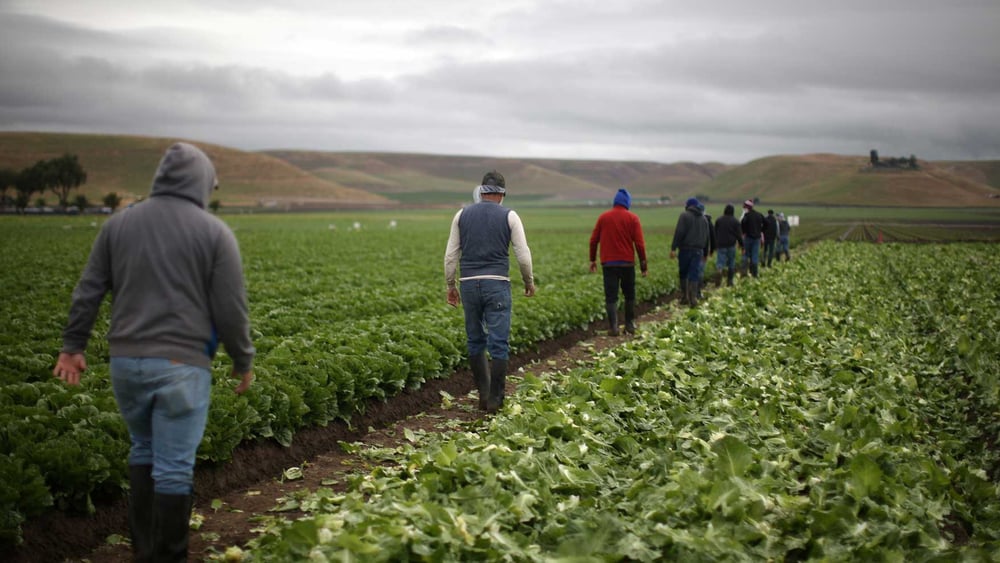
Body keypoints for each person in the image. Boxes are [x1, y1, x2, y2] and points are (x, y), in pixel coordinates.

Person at [53, 142, 255, 562]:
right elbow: (230, 308)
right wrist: (242, 359)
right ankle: (170, 556)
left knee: (143, 449)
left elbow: (88, 290)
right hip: (182, 363)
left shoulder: (119, 225)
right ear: (202, 182)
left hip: (126, 363)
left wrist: (73, 346)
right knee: (175, 465)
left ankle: (145, 553)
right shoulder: (214, 232)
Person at [444, 170, 535, 413]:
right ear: (502, 194)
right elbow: (523, 255)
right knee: (499, 342)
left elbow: (451, 256)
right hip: (497, 284)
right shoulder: (510, 216)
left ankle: (483, 396)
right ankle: (496, 399)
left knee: (475, 339)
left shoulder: (461, 214)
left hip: (469, 283)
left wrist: (451, 286)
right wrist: (528, 281)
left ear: (482, 190)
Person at [588, 188, 648, 336]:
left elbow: (593, 240)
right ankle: (629, 325)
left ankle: (613, 327)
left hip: (609, 264)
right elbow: (640, 244)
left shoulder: (603, 218)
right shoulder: (633, 218)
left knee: (611, 296)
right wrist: (643, 265)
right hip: (627, 264)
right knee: (629, 295)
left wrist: (592, 260)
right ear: (628, 202)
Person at [669, 197, 710, 307]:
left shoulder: (684, 216)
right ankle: (693, 298)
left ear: (688, 206)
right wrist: (706, 253)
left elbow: (679, 232)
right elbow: (707, 237)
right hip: (698, 251)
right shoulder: (704, 219)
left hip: (685, 249)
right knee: (694, 273)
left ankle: (685, 297)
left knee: (683, 273)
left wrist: (673, 248)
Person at [714, 203, 743, 286]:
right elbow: (739, 235)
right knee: (731, 262)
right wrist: (742, 245)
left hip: (721, 244)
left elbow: (715, 232)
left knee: (720, 261)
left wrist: (715, 244)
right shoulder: (735, 221)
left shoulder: (719, 220)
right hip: (731, 244)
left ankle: (719, 271)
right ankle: (730, 281)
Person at [740, 199, 765, 278]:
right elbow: (766, 223)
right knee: (754, 256)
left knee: (745, 255)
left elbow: (742, 226)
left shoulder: (746, 216)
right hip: (757, 239)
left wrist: (744, 233)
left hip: (748, 238)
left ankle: (744, 273)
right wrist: (761, 230)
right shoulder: (759, 215)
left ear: (747, 207)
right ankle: (754, 273)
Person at [696, 203, 715, 300]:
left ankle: (692, 293)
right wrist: (710, 251)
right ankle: (697, 293)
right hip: (702, 251)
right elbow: (711, 237)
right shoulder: (708, 221)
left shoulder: (693, 220)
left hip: (693, 250)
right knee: (700, 272)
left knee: (692, 272)